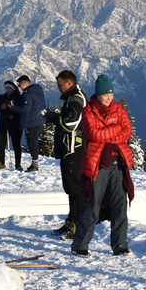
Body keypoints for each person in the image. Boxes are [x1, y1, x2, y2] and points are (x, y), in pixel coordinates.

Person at [71, 74, 134, 257]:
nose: (109, 97)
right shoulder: (88, 111)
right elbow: (94, 134)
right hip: (97, 163)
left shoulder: (119, 109)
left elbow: (127, 131)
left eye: (111, 94)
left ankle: (120, 245)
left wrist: (107, 131)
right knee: (93, 205)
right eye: (106, 94)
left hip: (118, 163)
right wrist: (115, 130)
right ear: (97, 94)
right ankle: (80, 244)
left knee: (119, 205)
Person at [45, 70, 87, 239]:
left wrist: (53, 117)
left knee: (76, 188)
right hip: (67, 149)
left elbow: (71, 123)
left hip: (73, 149)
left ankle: (79, 225)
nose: (58, 87)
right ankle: (72, 220)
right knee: (70, 188)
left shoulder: (76, 97)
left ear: (69, 83)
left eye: (60, 84)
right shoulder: (71, 97)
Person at [11, 74, 46, 172]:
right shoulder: (36, 90)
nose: (19, 87)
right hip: (39, 119)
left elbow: (25, 109)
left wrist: (12, 107)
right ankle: (34, 163)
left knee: (32, 143)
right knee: (33, 142)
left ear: (23, 84)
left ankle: (34, 165)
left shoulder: (28, 94)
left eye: (19, 85)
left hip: (32, 121)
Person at [0, 80, 22, 169]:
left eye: (9, 88)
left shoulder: (18, 98)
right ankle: (1, 163)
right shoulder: (1, 97)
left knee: (16, 144)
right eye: (6, 88)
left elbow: (22, 110)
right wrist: (1, 107)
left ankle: (18, 163)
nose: (8, 90)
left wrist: (14, 115)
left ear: (13, 89)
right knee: (1, 145)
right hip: (3, 124)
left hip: (15, 125)